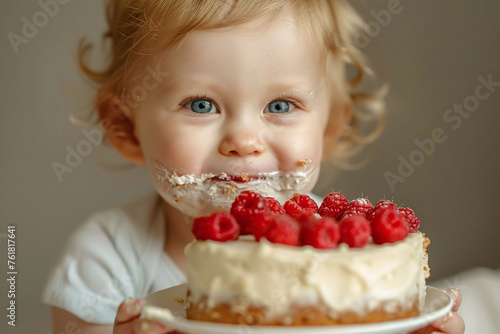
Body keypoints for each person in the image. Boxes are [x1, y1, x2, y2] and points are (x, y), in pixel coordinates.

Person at [42, 1, 465, 333]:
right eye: (201, 105)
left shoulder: (347, 257)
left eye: (280, 106)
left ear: (331, 127)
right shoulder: (105, 260)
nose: (244, 141)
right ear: (126, 128)